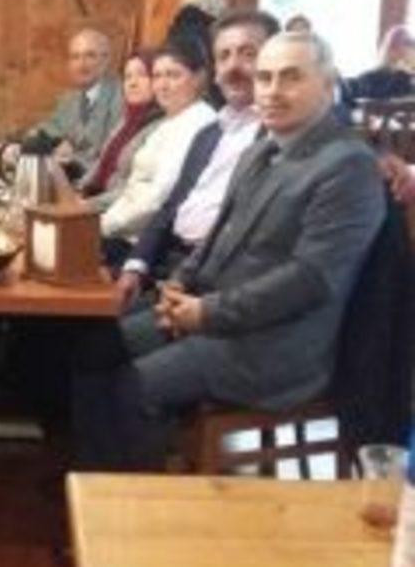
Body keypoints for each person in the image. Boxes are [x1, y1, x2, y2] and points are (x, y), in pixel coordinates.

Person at [75, 31, 386, 470]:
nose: (273, 90)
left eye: (291, 77)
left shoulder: (348, 165)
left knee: (132, 386)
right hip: (215, 315)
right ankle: (89, 483)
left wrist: (207, 312)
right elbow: (217, 237)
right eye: (265, 78)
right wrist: (179, 282)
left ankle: (128, 501)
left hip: (275, 346)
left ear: (328, 83)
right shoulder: (259, 151)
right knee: (93, 346)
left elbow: (310, 279)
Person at [115, 10, 280, 307]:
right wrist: (136, 266)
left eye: (248, 54)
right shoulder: (210, 133)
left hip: (214, 282)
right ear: (215, 70)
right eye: (224, 56)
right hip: (166, 263)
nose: (233, 66)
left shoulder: (279, 136)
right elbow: (171, 206)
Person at [99, 37, 218, 265]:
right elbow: (133, 190)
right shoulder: (169, 121)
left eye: (173, 75)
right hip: (122, 229)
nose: (162, 85)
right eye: (157, 76)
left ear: (199, 78)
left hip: (147, 246)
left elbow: (158, 198)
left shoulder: (199, 123)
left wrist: (101, 226)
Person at [35, 28, 124, 178]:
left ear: (106, 60)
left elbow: (112, 156)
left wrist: (72, 159)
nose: (82, 64)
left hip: (100, 183)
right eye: (75, 57)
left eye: (90, 55)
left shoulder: (121, 98)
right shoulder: (69, 100)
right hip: (68, 179)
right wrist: (58, 141)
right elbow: (46, 128)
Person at [80, 49, 163, 209]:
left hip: (117, 211)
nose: (132, 83)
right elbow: (100, 164)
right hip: (94, 201)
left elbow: (136, 190)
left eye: (142, 75)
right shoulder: (125, 121)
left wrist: (88, 205)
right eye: (127, 77)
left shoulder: (161, 127)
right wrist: (77, 190)